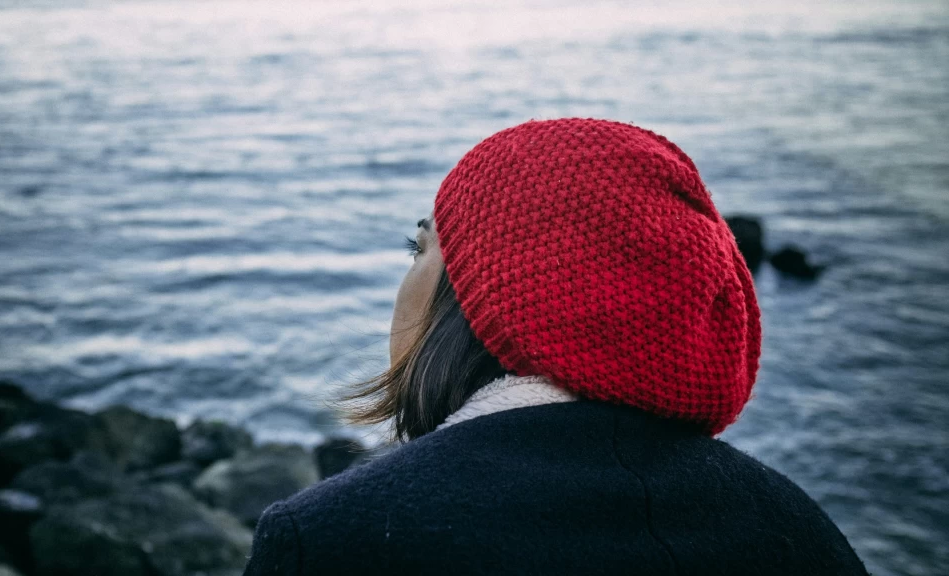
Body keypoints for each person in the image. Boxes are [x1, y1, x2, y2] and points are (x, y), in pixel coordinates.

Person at [242, 118, 868, 575]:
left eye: (421, 249)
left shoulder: (332, 541)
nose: (404, 280)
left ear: (485, 294)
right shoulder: (796, 531)